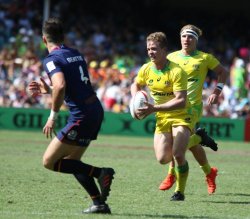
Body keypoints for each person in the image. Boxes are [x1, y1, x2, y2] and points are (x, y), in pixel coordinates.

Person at [28, 17, 115, 214]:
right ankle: (99, 204)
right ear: (63, 36)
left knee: (49, 162)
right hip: (94, 110)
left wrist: (52, 115)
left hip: (81, 115)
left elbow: (61, 85)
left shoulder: (51, 59)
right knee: (72, 161)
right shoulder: (75, 53)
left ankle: (101, 173)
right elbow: (73, 87)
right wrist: (49, 89)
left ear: (44, 39)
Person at [159, 24, 228, 195]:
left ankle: (172, 175)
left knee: (177, 145)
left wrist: (217, 91)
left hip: (193, 108)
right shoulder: (171, 57)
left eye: (190, 37)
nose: (186, 39)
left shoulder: (204, 58)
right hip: (173, 106)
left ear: (196, 40)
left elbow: (223, 72)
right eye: (184, 36)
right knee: (189, 145)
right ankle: (209, 171)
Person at [130, 32, 196, 201]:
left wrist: (154, 108)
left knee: (178, 155)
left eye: (154, 49)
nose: (151, 52)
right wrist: (135, 98)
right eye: (148, 49)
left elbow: (181, 101)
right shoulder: (146, 69)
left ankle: (179, 192)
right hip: (162, 116)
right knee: (162, 159)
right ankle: (195, 139)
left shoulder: (176, 71)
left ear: (164, 50)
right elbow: (135, 84)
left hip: (181, 115)